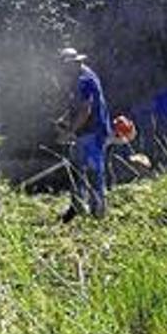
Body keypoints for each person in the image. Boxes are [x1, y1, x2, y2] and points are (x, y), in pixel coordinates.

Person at [55, 47, 112, 223]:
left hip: (93, 131)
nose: (63, 70)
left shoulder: (85, 80)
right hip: (83, 131)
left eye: (65, 66)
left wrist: (70, 131)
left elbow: (86, 110)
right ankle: (77, 207)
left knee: (95, 171)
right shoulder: (76, 78)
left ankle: (98, 213)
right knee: (76, 170)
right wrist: (64, 120)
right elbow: (76, 106)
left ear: (74, 63)